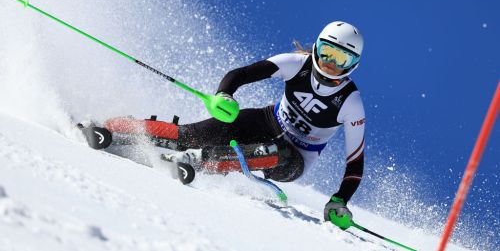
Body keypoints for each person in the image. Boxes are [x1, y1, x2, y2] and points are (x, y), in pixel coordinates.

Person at [99, 21, 365, 230]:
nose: (331, 65)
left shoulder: (350, 103)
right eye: (328, 53)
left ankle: (197, 160)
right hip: (266, 121)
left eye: (341, 60)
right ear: (317, 48)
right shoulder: (296, 64)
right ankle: (113, 127)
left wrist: (339, 200)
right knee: (193, 134)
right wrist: (225, 94)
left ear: (353, 66)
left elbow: (355, 163)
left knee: (273, 154)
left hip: (296, 157)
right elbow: (241, 74)